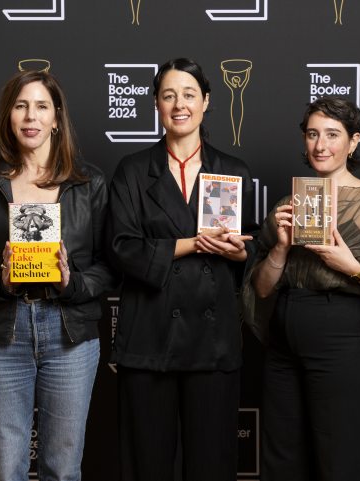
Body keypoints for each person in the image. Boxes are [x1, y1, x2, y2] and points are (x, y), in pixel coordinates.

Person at [242, 97, 360, 481]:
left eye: (332, 135)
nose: (321, 145)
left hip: (342, 337)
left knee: (342, 459)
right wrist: (279, 246)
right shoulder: (287, 205)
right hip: (284, 339)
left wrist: (353, 269)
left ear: (353, 142)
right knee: (281, 459)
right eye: (313, 134)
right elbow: (260, 291)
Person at [0, 70, 114, 481]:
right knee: (5, 470)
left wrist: (73, 283)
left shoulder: (88, 184)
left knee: (63, 468)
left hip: (70, 333)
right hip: (4, 332)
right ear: (8, 117)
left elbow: (111, 264)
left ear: (57, 118)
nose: (30, 116)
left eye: (41, 106)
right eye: (20, 106)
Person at [107, 57, 257, 481]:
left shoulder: (233, 171)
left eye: (189, 94)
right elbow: (122, 247)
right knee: (146, 464)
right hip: (149, 337)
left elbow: (254, 246)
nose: (179, 104)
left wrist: (238, 253)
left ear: (206, 101)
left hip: (213, 342)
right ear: (156, 103)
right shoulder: (133, 171)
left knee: (213, 464)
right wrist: (192, 244)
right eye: (169, 95)